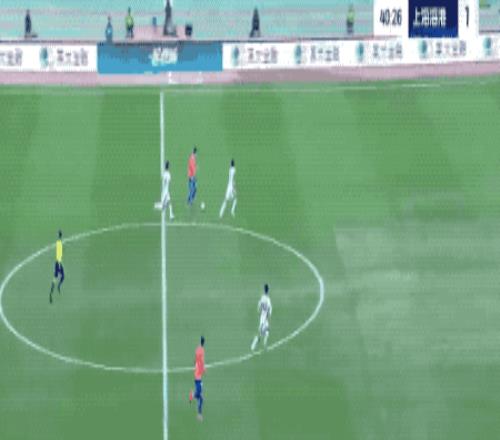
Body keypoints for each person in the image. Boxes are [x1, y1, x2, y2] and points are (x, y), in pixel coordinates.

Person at [189, 336, 206, 421]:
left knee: (200, 397)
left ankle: (192, 395)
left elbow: (197, 359)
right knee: (200, 398)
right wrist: (203, 369)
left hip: (198, 377)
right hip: (198, 377)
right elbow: (200, 361)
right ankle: (199, 415)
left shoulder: (198, 349)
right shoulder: (201, 350)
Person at [251, 284, 272, 351]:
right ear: (268, 290)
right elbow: (269, 309)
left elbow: (258, 307)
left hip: (262, 317)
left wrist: (260, 314)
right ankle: (255, 342)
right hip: (265, 318)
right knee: (262, 333)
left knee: (266, 331)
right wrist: (268, 317)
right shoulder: (268, 299)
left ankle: (264, 345)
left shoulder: (262, 297)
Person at [49, 230, 65, 304]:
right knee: (57, 278)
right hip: (58, 263)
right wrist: (59, 264)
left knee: (59, 277)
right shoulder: (59, 244)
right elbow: (59, 255)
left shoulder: (59, 243)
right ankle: (52, 292)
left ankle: (55, 289)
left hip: (58, 263)